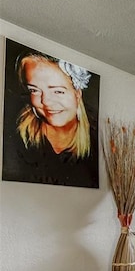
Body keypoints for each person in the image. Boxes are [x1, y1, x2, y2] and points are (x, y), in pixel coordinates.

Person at [2, 44, 98, 188]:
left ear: (77, 94)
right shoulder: (13, 136)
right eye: (34, 90)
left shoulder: (97, 142)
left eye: (58, 91)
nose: (45, 101)